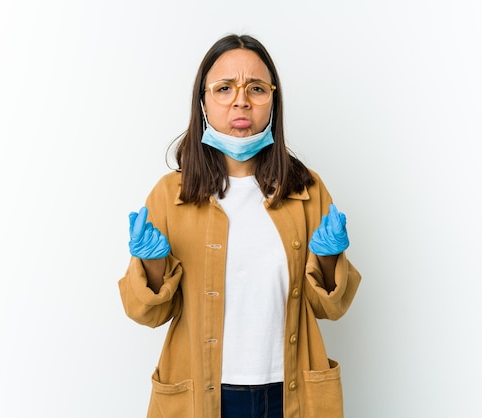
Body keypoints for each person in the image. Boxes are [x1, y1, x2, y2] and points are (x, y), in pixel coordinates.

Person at [118, 34, 361, 418]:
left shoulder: (307, 190)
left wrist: (330, 260)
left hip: (290, 392)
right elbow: (147, 313)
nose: (241, 101)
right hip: (203, 394)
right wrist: (151, 264)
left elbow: (328, 308)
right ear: (202, 102)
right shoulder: (170, 195)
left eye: (257, 88)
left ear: (273, 101)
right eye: (224, 88)